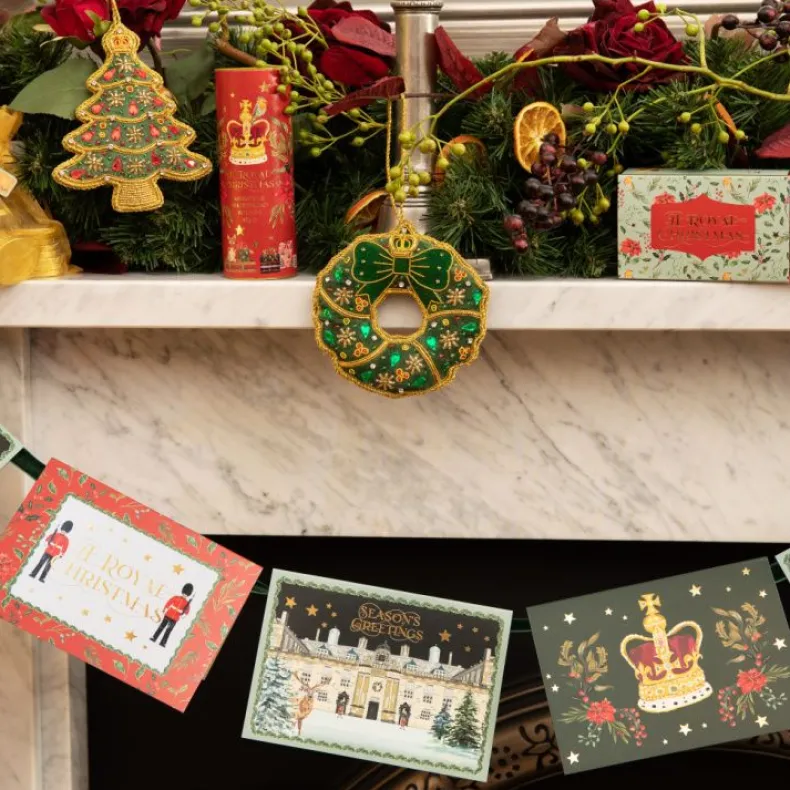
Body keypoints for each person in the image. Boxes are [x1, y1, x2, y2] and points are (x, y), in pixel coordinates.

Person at [151, 583, 194, 647]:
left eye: (186, 594)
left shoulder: (186, 603)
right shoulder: (176, 597)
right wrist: (165, 608)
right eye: (184, 593)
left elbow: (187, 612)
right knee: (161, 627)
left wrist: (182, 613)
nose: (184, 595)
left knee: (168, 630)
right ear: (182, 592)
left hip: (175, 618)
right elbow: (169, 602)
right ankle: (154, 637)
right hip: (168, 615)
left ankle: (163, 642)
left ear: (188, 595)